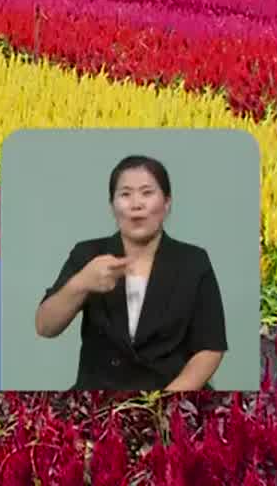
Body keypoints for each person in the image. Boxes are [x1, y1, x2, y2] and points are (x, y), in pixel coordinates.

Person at [34, 155, 228, 392]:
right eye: (125, 194)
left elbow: (210, 347)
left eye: (147, 193)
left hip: (172, 399)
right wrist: (82, 282)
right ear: (112, 205)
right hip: (100, 402)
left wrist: (166, 403)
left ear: (166, 203)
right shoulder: (88, 254)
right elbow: (45, 326)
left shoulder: (193, 261)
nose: (136, 204)